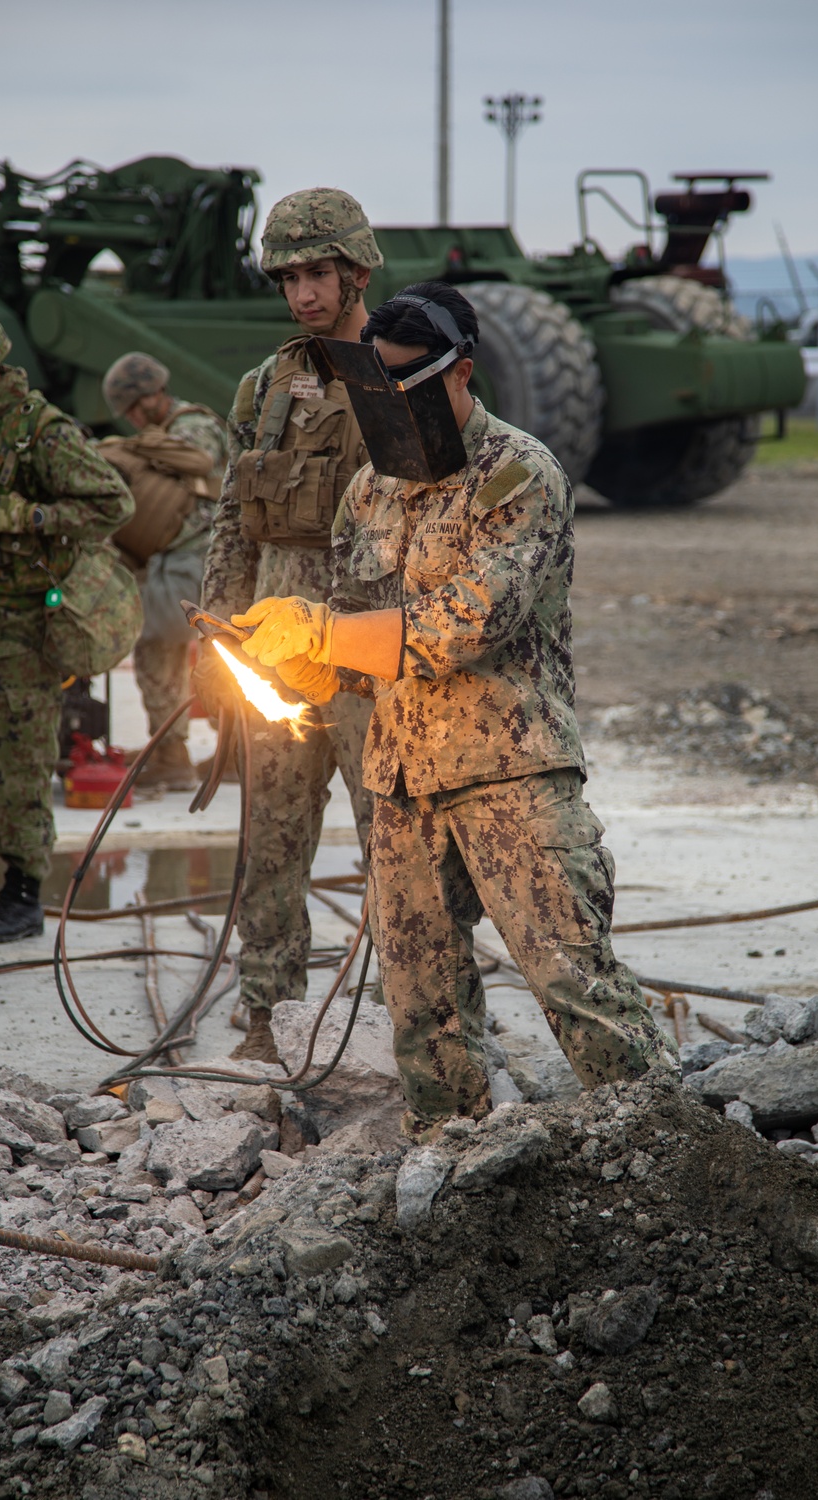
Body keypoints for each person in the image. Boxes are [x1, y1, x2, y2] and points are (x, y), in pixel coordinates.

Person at [234, 281, 679, 1141]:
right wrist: (295, 665)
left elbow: (461, 626)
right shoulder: (370, 492)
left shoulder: (519, 477)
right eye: (379, 390)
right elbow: (362, 649)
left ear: (461, 372)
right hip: (402, 780)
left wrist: (323, 633)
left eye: (409, 388)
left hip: (509, 770)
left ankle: (666, 1153)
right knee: (422, 1008)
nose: (392, 410)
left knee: (573, 983)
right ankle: (451, 1161)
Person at [195, 188, 384, 1065]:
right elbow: (235, 511)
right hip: (273, 652)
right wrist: (216, 625)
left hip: (366, 652)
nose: (304, 294)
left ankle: (415, 999)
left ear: (356, 272)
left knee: (398, 836)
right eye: (290, 278)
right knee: (272, 833)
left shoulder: (405, 366)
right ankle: (270, 1006)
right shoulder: (268, 384)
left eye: (318, 274)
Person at [0, 301, 133, 942]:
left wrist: (28, 516)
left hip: (17, 629)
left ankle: (21, 896)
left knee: (16, 766)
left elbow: (111, 503)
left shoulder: (40, 431)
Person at [101, 353, 228, 791]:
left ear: (155, 393)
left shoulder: (193, 424)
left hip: (203, 558)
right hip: (173, 559)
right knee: (166, 651)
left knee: (201, 655)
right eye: (129, 414)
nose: (134, 419)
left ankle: (228, 750)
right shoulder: (161, 433)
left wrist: (134, 447)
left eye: (137, 408)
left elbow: (196, 458)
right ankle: (172, 750)